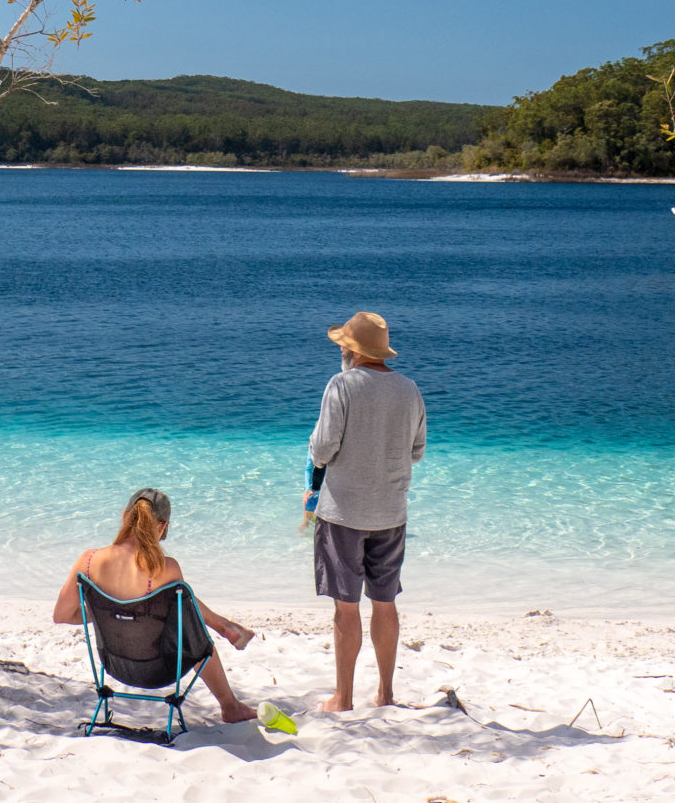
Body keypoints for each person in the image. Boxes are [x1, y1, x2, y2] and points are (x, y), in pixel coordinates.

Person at [52, 487, 258, 724]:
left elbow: (61, 615)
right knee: (191, 632)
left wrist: (104, 609)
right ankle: (230, 705)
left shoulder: (87, 561)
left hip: (113, 664)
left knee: (181, 602)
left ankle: (224, 626)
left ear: (124, 517)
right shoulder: (166, 568)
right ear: (161, 528)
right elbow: (186, 614)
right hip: (160, 670)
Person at [307, 310, 427, 711]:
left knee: (346, 606)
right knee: (385, 602)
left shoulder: (341, 385)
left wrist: (312, 449)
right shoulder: (409, 389)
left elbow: (323, 450)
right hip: (392, 513)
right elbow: (417, 451)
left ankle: (343, 697)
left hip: (344, 512)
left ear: (352, 350)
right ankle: (386, 694)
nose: (340, 347)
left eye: (343, 342)